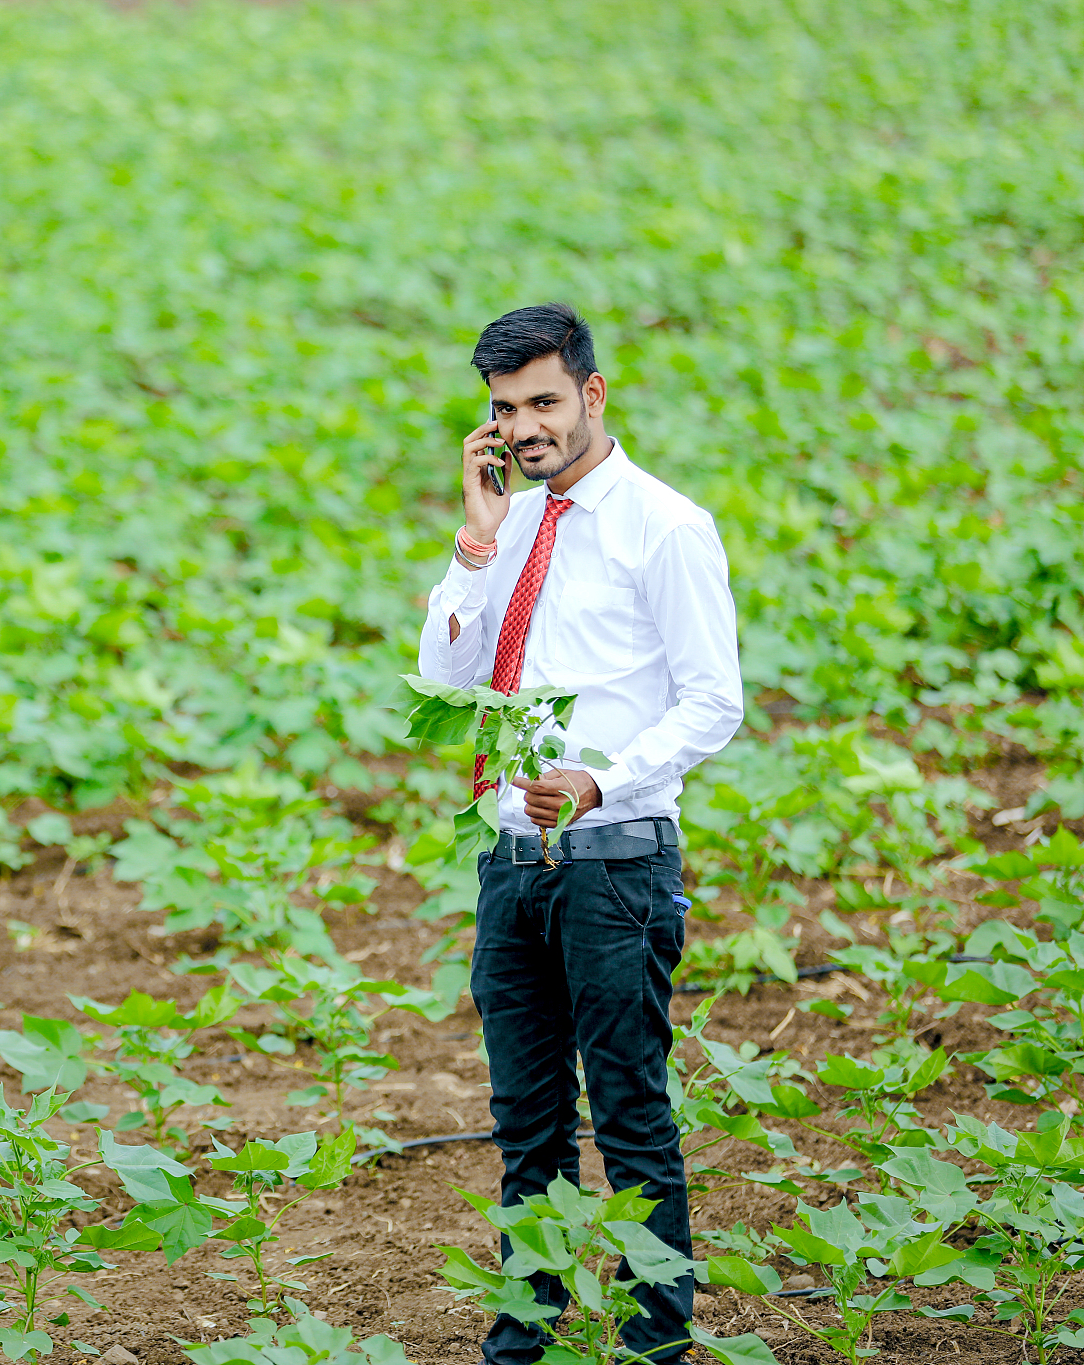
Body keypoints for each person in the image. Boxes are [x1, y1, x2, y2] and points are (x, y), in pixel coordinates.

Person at [416, 303, 745, 1365]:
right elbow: (444, 679)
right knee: (525, 1125)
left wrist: (602, 782)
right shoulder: (505, 529)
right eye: (504, 409)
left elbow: (712, 701)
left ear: (592, 396)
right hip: (510, 860)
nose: (523, 428)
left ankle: (655, 1341)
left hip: (615, 865)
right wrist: (473, 544)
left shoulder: (664, 525)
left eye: (543, 402)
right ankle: (525, 1336)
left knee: (631, 1117)